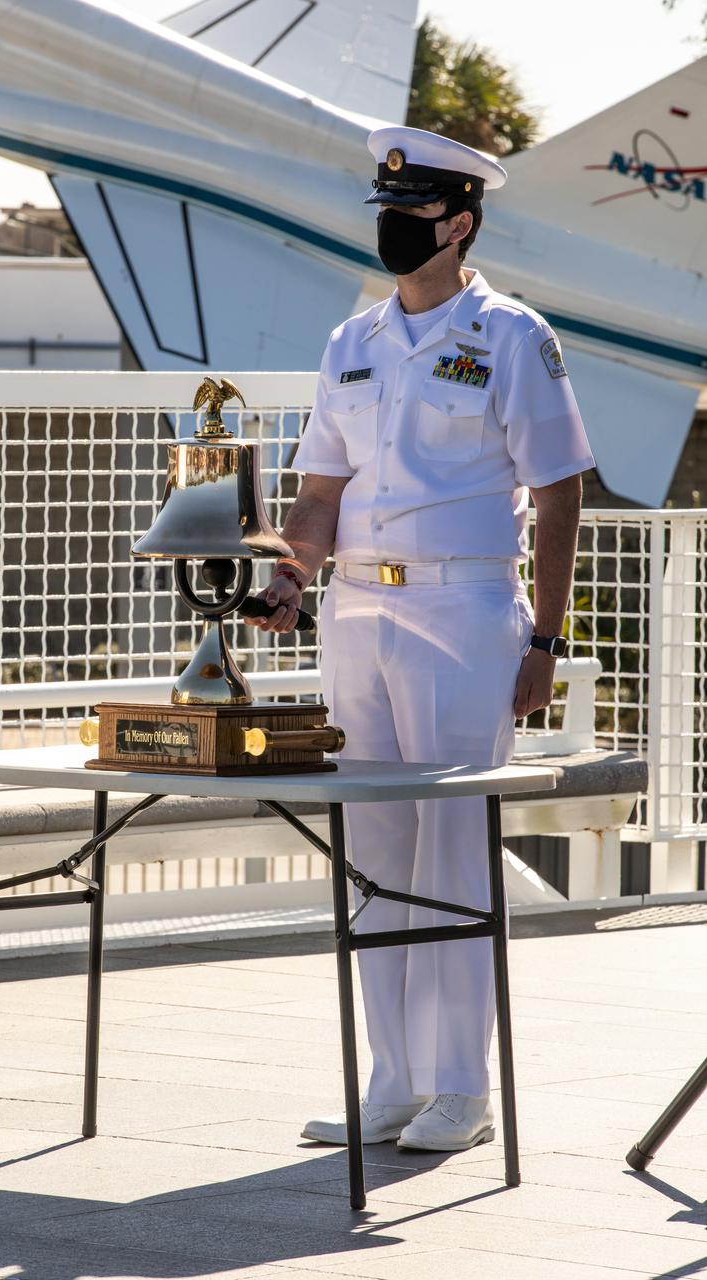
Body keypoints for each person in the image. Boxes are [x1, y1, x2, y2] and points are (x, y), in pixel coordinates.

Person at [243, 125, 595, 1153]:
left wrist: (546, 634)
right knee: (373, 845)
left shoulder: (513, 336)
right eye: (386, 212)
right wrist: (286, 576)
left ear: (459, 224)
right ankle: (389, 1079)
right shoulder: (350, 341)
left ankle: (460, 1086)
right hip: (356, 610)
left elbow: (561, 486)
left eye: (411, 215)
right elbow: (320, 489)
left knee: (451, 848)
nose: (393, 228)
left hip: (464, 610)